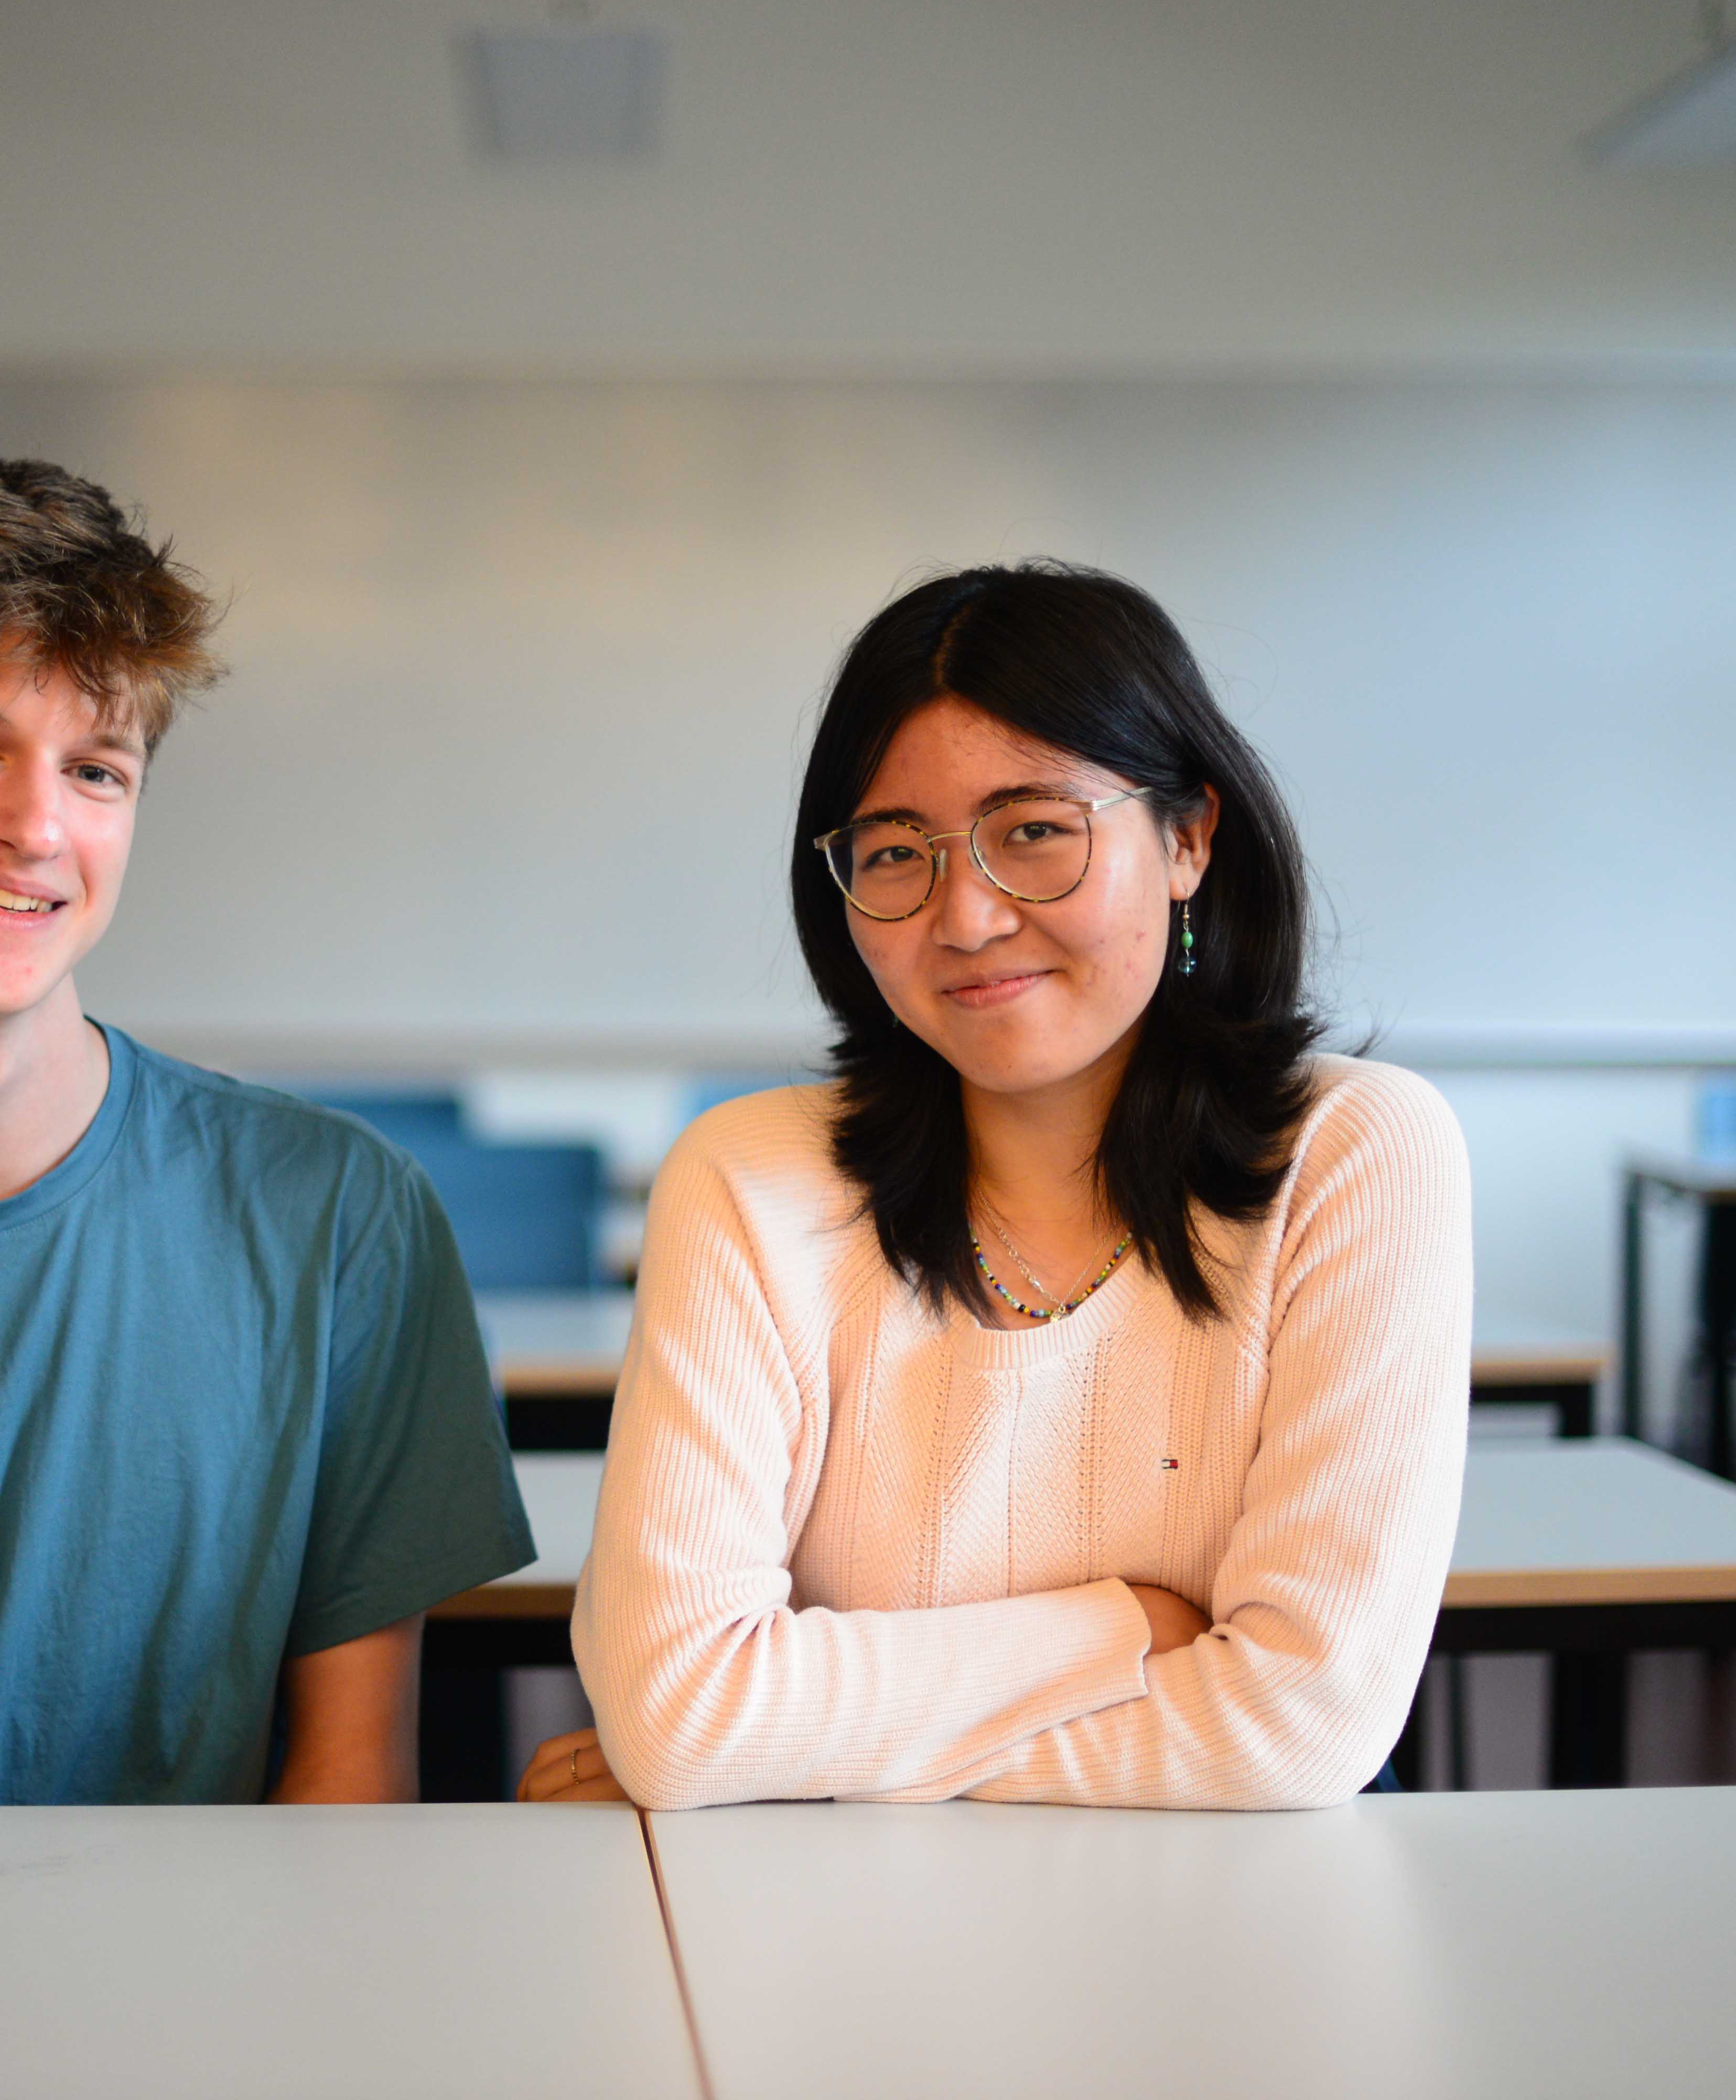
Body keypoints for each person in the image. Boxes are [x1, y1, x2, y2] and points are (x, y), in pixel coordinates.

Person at [524, 561, 1469, 1811]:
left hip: (1238, 1932)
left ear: (1187, 839)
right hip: (836, 1943)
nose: (964, 915)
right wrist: (1123, 1627)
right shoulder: (747, 1180)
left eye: (1033, 831)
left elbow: (1295, 1726)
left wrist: (790, 1754)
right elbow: (677, 1712)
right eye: (896, 849)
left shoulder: (1354, 1157)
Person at [0, 458, 533, 1803]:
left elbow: (348, 1791)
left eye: (95, 768)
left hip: (198, 1997)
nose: (35, 826)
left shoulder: (334, 1218)